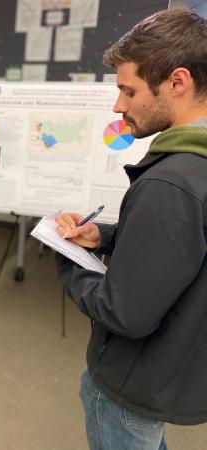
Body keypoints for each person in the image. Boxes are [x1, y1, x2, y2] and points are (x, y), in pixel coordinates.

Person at [54, 8, 207, 450]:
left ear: (177, 82)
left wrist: (67, 259)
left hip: (134, 383)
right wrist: (104, 236)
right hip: (178, 367)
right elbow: (186, 244)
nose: (118, 105)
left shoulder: (169, 182)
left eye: (128, 89)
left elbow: (124, 313)